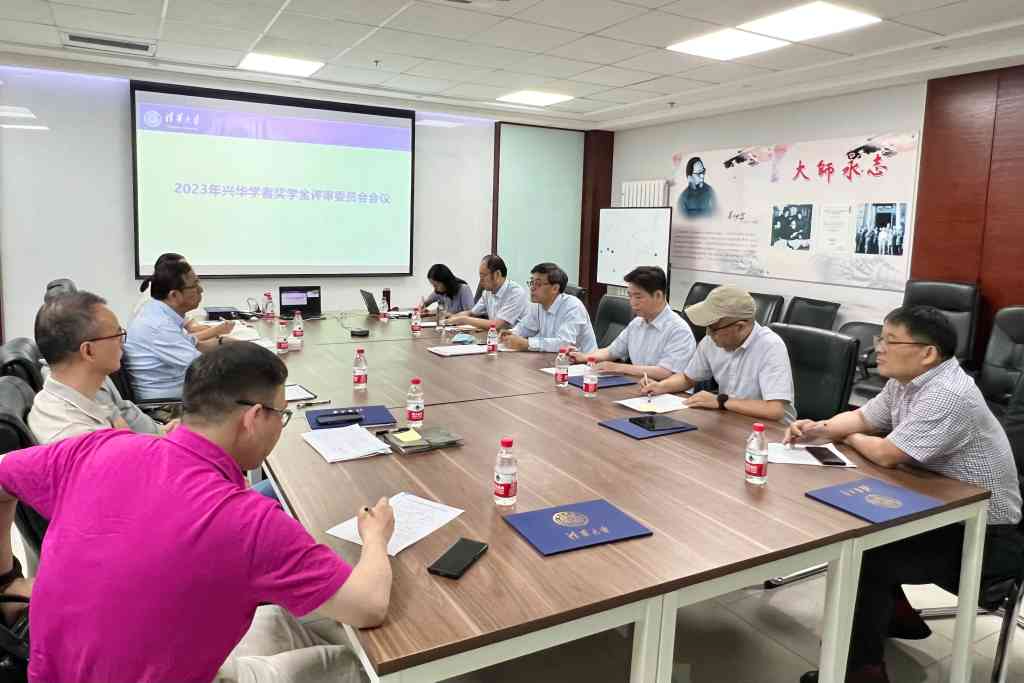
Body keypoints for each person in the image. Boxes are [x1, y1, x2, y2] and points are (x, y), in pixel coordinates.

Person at [0, 342, 396, 683]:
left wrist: (6, 578)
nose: (280, 426)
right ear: (253, 418)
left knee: (281, 620)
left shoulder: (98, 447)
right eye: (281, 415)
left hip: (56, 673)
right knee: (355, 665)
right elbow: (368, 606)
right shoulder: (249, 522)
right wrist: (375, 538)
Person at [786, 306, 1024, 683]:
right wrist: (819, 429)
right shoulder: (906, 381)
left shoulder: (948, 393)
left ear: (927, 353)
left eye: (890, 341)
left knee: (865, 554)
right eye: (880, 338)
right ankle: (896, 616)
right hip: (943, 510)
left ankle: (862, 673)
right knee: (861, 528)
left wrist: (847, 437)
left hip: (988, 536)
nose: (877, 348)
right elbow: (864, 418)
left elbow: (887, 453)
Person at [640, 284, 795, 423]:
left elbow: (775, 410)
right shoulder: (712, 340)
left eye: (713, 329)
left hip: (771, 432)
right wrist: (661, 386)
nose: (708, 334)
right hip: (732, 421)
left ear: (740, 327)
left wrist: (721, 401)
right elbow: (688, 378)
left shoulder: (770, 346)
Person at [29, 290, 170, 443]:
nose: (122, 342)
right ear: (88, 351)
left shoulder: (86, 388)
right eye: (117, 335)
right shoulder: (77, 437)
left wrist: (163, 433)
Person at [124, 255, 235, 400]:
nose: (201, 290)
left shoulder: (160, 312)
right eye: (195, 285)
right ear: (174, 295)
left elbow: (197, 345)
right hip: (166, 405)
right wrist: (243, 359)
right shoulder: (159, 326)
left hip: (181, 391)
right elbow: (204, 368)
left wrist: (224, 343)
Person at [569, 266, 694, 380]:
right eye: (630, 296)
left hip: (671, 393)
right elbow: (611, 352)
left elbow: (666, 372)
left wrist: (618, 367)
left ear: (658, 295)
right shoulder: (637, 324)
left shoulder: (678, 330)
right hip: (641, 387)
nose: (632, 303)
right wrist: (583, 357)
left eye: (638, 297)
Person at [133, 253, 234, 342]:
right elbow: (184, 340)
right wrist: (217, 331)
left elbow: (190, 327)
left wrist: (215, 330)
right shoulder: (156, 310)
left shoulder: (165, 304)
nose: (201, 290)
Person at [500, 262, 597, 353]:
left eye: (538, 284)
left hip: (583, 362)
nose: (532, 288)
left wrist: (527, 344)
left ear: (555, 288)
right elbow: (525, 327)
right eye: (532, 282)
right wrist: (510, 334)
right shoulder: (538, 305)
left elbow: (565, 343)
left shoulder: (573, 306)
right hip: (552, 359)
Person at [446, 255, 528, 331]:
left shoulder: (516, 293)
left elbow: (497, 325)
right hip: (497, 337)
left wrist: (464, 320)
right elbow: (471, 313)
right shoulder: (487, 293)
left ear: (497, 274)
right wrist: (451, 317)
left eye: (483, 275)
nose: (481, 280)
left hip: (517, 339)